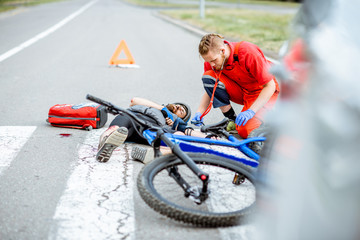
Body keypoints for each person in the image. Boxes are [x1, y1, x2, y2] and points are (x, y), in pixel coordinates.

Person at [192, 33, 280, 140]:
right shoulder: (212, 62)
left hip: (264, 91)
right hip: (244, 91)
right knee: (208, 76)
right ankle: (232, 120)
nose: (212, 65)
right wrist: (199, 112)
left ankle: (275, 123)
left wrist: (251, 111)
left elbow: (270, 86)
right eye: (208, 61)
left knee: (245, 131)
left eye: (214, 60)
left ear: (222, 51)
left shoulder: (247, 52)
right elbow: (211, 86)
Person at [96, 97, 209, 163]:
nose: (179, 107)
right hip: (131, 118)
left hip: (153, 130)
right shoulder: (156, 106)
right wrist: (162, 109)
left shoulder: (176, 122)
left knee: (180, 136)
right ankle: (104, 144)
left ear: (181, 118)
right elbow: (134, 100)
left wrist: (210, 137)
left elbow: (189, 131)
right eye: (178, 105)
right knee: (116, 129)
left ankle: (156, 154)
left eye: (182, 111)